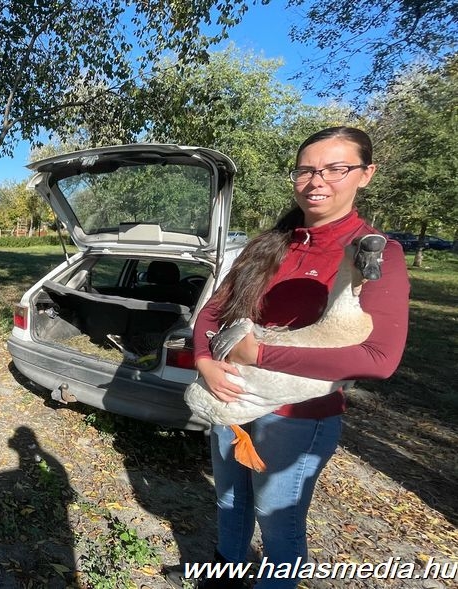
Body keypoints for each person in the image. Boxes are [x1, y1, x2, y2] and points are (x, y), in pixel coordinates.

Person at [182, 127, 409, 589]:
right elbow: (212, 312)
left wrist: (261, 352)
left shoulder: (376, 254)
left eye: (335, 169)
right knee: (229, 499)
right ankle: (222, 578)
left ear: (366, 175)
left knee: (276, 517)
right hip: (232, 396)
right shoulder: (270, 244)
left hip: (297, 417)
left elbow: (379, 358)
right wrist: (205, 360)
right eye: (306, 170)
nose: (317, 180)